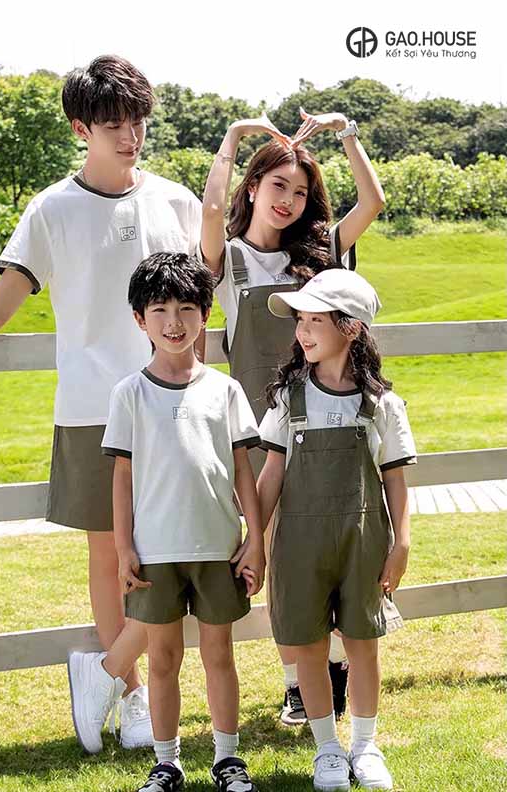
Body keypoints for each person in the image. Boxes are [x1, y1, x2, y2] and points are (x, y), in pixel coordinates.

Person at [0, 55, 203, 753]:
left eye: (137, 121)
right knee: (111, 557)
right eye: (113, 124)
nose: (130, 135)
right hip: (93, 409)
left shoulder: (177, 201)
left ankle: (106, 670)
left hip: (178, 403)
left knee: (185, 553)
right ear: (80, 128)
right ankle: (133, 698)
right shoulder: (51, 208)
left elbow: (202, 301)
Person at [201, 109, 386, 727]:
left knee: (329, 547)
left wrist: (345, 132)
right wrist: (233, 138)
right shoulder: (227, 261)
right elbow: (210, 210)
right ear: (253, 186)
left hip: (327, 428)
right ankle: (297, 683)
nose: (288, 200)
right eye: (278, 185)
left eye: (301, 192)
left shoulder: (320, 255)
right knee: (279, 556)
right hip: (261, 436)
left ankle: (329, 670)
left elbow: (373, 202)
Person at [102, 252, 265, 792]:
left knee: (219, 655)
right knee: (162, 658)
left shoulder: (225, 390)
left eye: (187, 309)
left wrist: (255, 539)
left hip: (219, 547)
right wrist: (124, 548)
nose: (174, 322)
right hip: (155, 552)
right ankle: (166, 762)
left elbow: (243, 469)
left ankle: (227, 759)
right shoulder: (130, 394)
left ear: (205, 314)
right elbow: (122, 478)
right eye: (160, 310)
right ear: (140, 319)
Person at [258, 268, 416, 791]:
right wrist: (254, 539)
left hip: (362, 544)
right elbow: (271, 475)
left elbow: (395, 481)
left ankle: (365, 746)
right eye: (299, 321)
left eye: (315, 321)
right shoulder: (290, 398)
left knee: (362, 642)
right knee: (307, 645)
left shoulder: (381, 405)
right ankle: (327, 747)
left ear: (350, 328)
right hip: (298, 547)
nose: (302, 332)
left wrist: (401, 543)